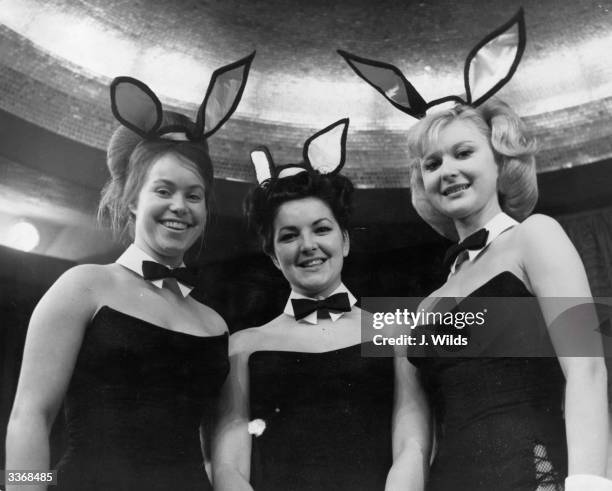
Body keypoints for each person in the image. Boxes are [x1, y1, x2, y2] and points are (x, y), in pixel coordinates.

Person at [340, 11, 610, 491]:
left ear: (499, 159)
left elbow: (587, 370)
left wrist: (588, 485)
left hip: (539, 476)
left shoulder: (536, 236)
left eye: (463, 153)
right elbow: (415, 447)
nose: (447, 171)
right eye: (432, 162)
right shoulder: (422, 309)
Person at [5, 53, 254, 491]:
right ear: (133, 198)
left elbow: (223, 448)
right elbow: (30, 415)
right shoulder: (83, 286)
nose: (180, 206)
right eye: (164, 190)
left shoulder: (214, 324)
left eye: (194, 195)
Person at [212, 119, 394, 491]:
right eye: (290, 235)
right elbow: (230, 467)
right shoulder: (243, 346)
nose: (307, 245)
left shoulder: (395, 333)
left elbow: (413, 447)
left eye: (321, 229)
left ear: (344, 241)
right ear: (274, 256)